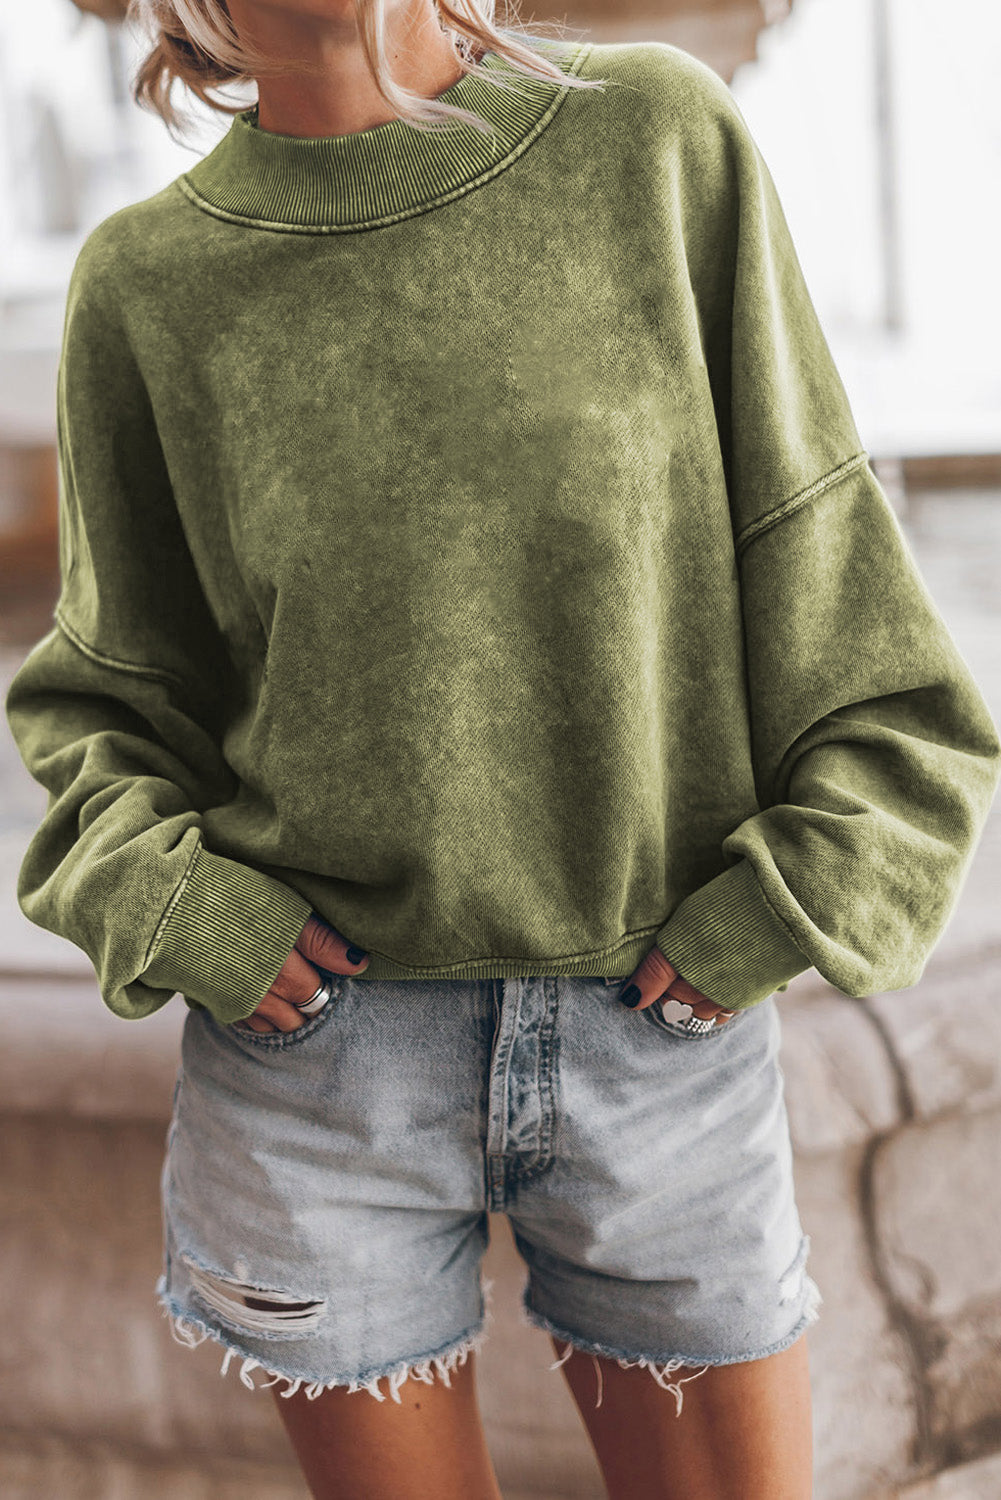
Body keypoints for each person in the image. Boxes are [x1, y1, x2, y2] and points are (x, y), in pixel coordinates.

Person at [5, 1, 1000, 1496]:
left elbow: (845, 609)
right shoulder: (148, 287)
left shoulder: (656, 143)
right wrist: (182, 909)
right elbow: (98, 709)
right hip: (317, 1076)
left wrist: (787, 906)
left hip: (657, 1037)